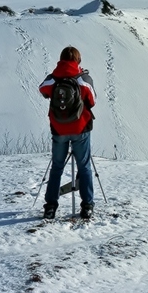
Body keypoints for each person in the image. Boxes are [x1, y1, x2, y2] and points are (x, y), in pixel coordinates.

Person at [38, 46, 97, 220]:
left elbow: (42, 89)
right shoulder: (83, 78)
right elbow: (92, 100)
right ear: (78, 60)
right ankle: (87, 206)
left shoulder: (53, 78)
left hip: (59, 129)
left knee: (57, 167)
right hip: (81, 129)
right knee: (84, 167)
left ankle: (50, 207)